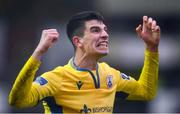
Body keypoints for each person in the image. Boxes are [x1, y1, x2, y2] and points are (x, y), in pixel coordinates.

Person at [9, 11, 160, 113]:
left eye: (105, 29)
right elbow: (18, 101)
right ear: (78, 41)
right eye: (96, 30)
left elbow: (146, 92)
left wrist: (152, 48)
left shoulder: (111, 75)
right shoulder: (56, 78)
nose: (105, 35)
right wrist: (38, 53)